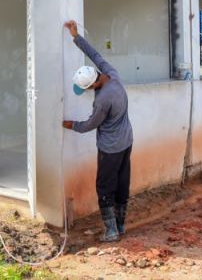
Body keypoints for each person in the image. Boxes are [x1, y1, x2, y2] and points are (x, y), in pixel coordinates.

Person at [62, 20, 133, 242]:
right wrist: (75, 36)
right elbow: (95, 54)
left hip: (110, 148)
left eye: (85, 89)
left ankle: (111, 231)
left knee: (104, 186)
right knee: (122, 183)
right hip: (127, 141)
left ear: (93, 85)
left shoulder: (102, 100)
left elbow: (91, 124)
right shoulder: (111, 73)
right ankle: (120, 225)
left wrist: (71, 124)